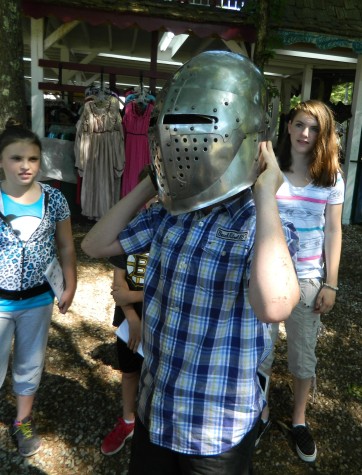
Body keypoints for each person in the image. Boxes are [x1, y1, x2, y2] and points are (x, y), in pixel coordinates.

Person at [81, 51, 300, 475]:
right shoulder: (169, 212)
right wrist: (152, 178)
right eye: (174, 125)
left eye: (199, 125)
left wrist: (266, 191)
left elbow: (274, 306)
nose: (182, 138)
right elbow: (96, 243)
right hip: (154, 412)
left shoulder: (263, 224)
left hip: (213, 433)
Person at [257, 100, 344, 463]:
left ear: (322, 134)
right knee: (259, 351)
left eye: (313, 128)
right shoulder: (267, 169)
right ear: (288, 127)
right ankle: (257, 415)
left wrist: (331, 283)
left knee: (302, 355)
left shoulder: (331, 178)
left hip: (308, 279)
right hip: (266, 273)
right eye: (298, 125)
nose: (304, 134)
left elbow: (334, 232)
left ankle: (298, 420)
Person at [0, 118, 77, 457]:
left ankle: (23, 419)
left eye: (32, 158)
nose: (25, 166)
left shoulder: (54, 199)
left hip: (37, 300)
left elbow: (66, 246)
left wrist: (70, 282)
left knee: (29, 364)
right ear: (1, 161)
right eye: (16, 158)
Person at [101, 185, 157, 456]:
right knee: (130, 372)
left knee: (157, 374)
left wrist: (132, 294)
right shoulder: (130, 235)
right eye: (151, 195)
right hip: (129, 324)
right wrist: (134, 319)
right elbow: (117, 287)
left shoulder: (171, 236)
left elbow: (170, 289)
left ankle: (152, 425)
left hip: (160, 321)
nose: (155, 201)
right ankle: (127, 420)